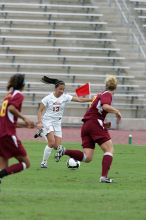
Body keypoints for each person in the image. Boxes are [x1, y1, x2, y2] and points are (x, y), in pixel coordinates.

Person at [55, 75, 122, 183]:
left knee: (87, 157)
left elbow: (95, 112)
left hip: (87, 125)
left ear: (106, 85)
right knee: (109, 150)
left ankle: (63, 151)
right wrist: (117, 112)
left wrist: (103, 124)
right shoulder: (107, 94)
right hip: (94, 124)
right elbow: (105, 106)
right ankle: (104, 177)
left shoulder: (100, 95)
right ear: (116, 87)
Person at [35, 76, 93, 168]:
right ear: (55, 88)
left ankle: (42, 133)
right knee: (51, 142)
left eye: (63, 89)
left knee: (57, 147)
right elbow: (40, 111)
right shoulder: (48, 98)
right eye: (60, 89)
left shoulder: (65, 97)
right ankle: (44, 162)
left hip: (57, 123)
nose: (61, 91)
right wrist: (39, 122)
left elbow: (78, 99)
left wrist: (91, 100)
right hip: (48, 121)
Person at [0, 74, 34, 183]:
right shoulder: (18, 95)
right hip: (8, 135)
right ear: (22, 85)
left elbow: (7, 120)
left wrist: (25, 125)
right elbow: (11, 108)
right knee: (26, 163)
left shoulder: (8, 96)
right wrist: (25, 119)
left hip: (1, 134)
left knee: (3, 166)